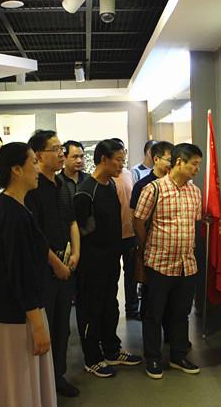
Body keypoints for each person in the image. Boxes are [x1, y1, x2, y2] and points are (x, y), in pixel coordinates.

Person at [0, 142, 56, 407]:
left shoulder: (11, 206)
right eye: (33, 162)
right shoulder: (11, 213)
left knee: (22, 385)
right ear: (16, 169)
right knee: (20, 386)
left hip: (14, 311)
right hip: (16, 316)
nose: (37, 168)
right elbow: (20, 273)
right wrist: (38, 325)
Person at [134, 143, 203, 380]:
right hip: (159, 263)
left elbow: (194, 223)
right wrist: (148, 247)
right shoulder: (153, 189)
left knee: (181, 313)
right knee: (154, 314)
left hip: (187, 264)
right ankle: (153, 358)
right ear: (179, 162)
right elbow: (138, 221)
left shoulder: (195, 192)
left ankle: (178, 355)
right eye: (194, 164)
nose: (197, 169)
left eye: (199, 164)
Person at [74, 139, 142, 378]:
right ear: (103, 159)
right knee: (91, 310)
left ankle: (112, 350)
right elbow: (78, 230)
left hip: (111, 260)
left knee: (110, 307)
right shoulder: (85, 191)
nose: (122, 165)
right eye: (118, 160)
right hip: (91, 264)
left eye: (123, 160)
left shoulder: (110, 184)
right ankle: (92, 358)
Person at [25, 130, 80, 398]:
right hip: (45, 269)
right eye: (55, 149)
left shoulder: (63, 185)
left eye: (61, 149)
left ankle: (57, 377)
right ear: (38, 155)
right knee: (44, 327)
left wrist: (76, 253)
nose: (61, 154)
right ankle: (41, 381)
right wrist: (56, 263)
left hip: (66, 264)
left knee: (62, 327)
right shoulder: (33, 189)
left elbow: (72, 222)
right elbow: (34, 235)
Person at [129, 141, 173, 319]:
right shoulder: (142, 185)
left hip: (171, 251)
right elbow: (135, 218)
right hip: (150, 248)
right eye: (169, 160)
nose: (171, 164)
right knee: (151, 296)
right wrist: (145, 243)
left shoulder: (176, 184)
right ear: (156, 159)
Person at [111, 138, 139, 320]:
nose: (121, 161)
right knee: (112, 275)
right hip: (113, 236)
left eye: (123, 156)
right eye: (118, 157)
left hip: (130, 234)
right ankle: (111, 311)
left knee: (132, 274)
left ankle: (132, 309)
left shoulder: (129, 174)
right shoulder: (107, 177)